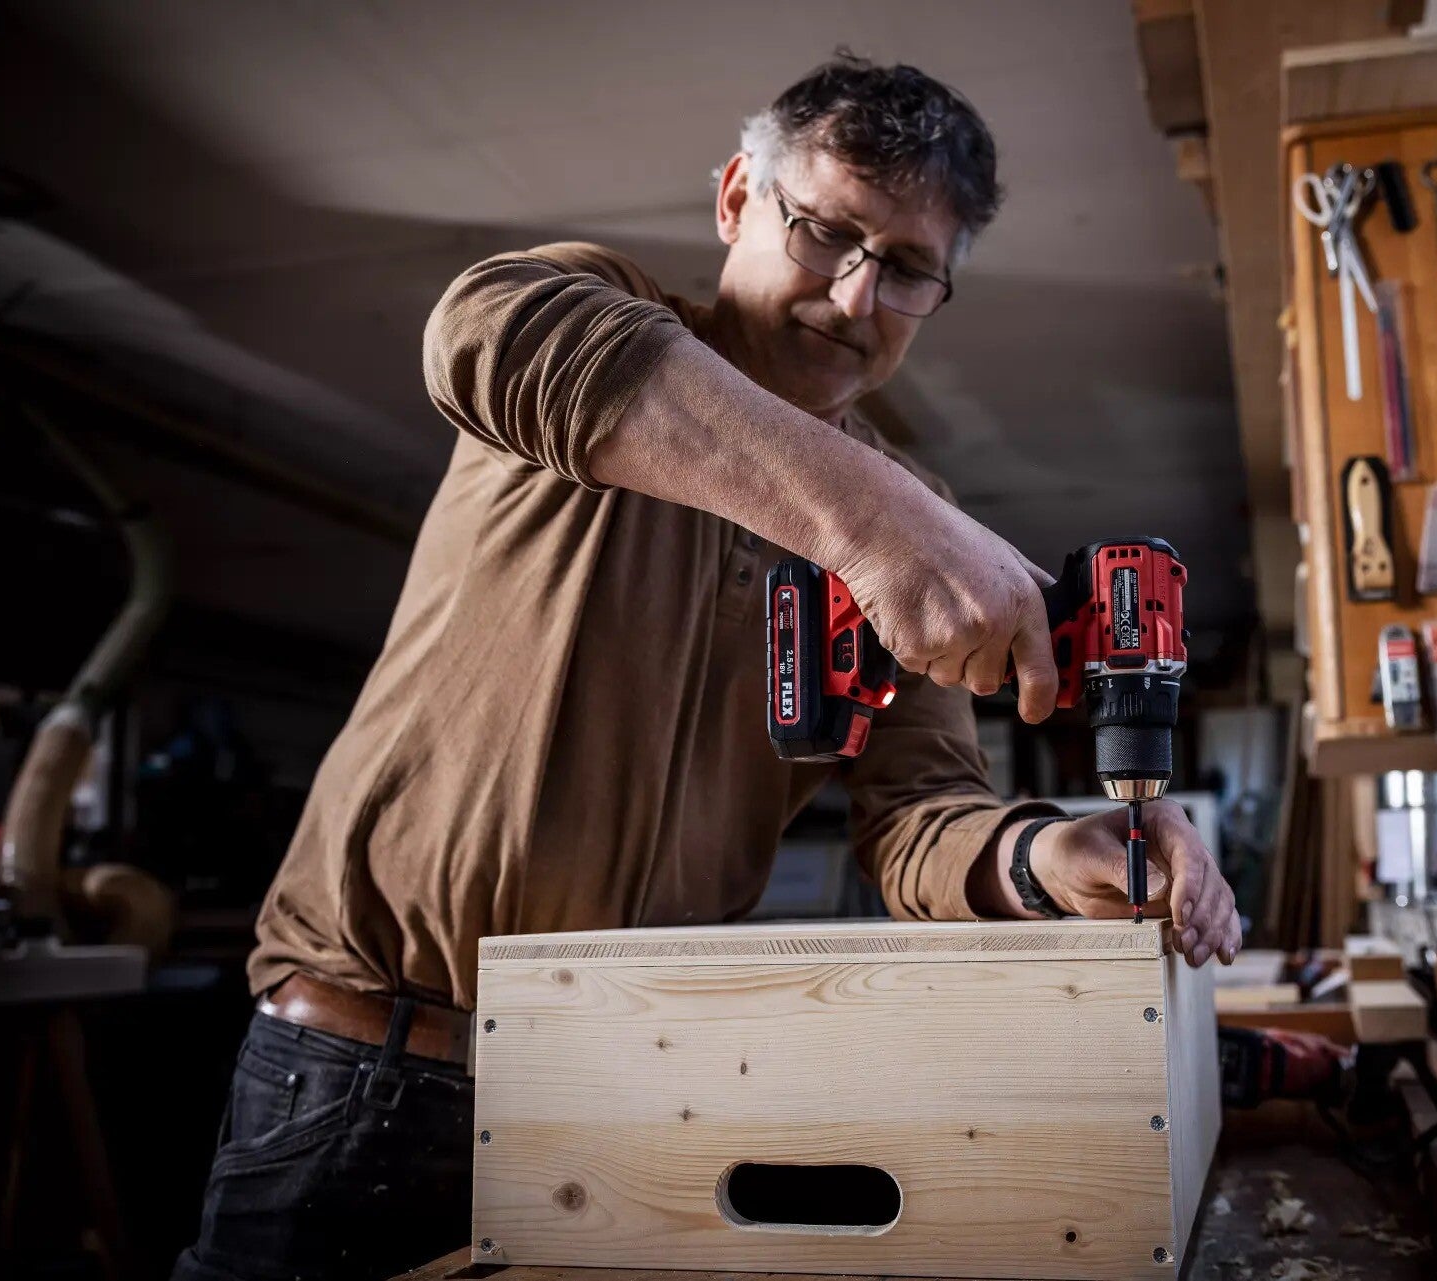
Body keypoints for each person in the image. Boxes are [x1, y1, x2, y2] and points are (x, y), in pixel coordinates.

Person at [174, 54, 1245, 1281]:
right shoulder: (606, 320)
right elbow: (487, 329)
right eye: (826, 232)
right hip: (367, 1072)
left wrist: (1046, 857)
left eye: (907, 268)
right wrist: (874, 520)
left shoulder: (919, 518)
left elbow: (918, 818)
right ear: (738, 198)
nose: (855, 295)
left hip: (638, 1086)